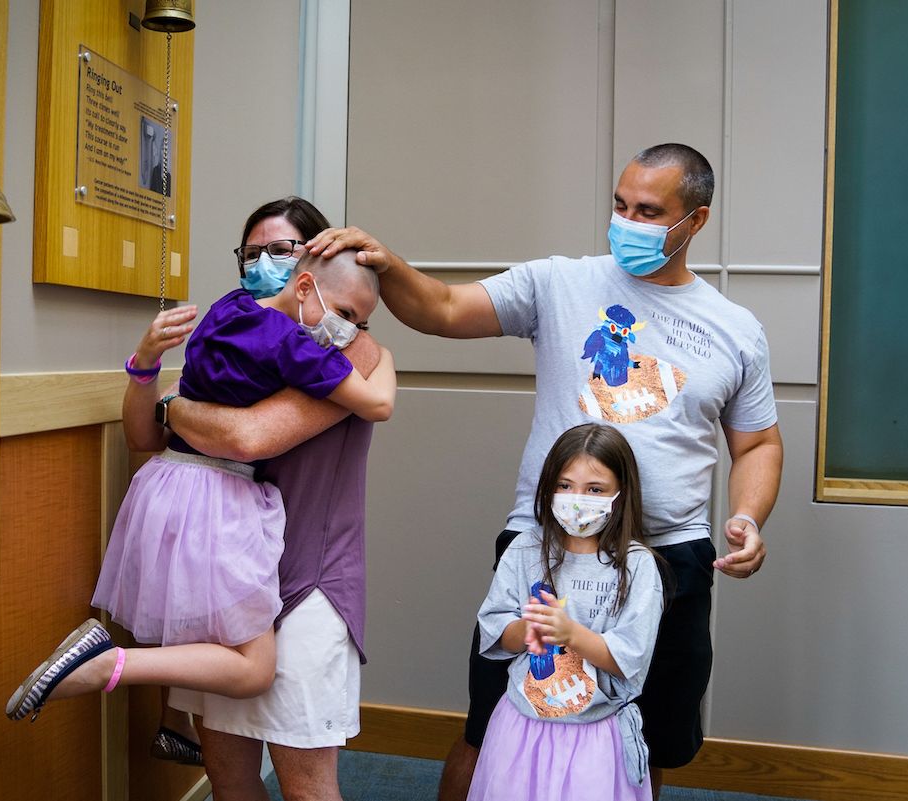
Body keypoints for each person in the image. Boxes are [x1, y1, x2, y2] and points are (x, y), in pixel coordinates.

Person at [308, 143, 784, 800]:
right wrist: (388, 267)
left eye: (649, 211)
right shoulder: (560, 282)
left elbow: (757, 442)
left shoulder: (735, 329)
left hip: (669, 559)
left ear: (695, 221)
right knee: (492, 725)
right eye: (620, 205)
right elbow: (443, 308)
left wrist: (747, 517)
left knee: (645, 735)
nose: (627, 221)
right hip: (547, 551)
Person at [5, 245, 396, 722]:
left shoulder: (229, 307)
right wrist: (387, 358)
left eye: (359, 323)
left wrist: (166, 397)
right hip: (216, 500)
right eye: (345, 315)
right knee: (255, 669)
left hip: (162, 485)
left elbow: (160, 418)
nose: (347, 331)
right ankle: (107, 663)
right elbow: (377, 404)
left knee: (205, 640)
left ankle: (174, 728)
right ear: (306, 285)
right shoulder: (297, 350)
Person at [468, 423, 664, 801]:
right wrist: (527, 629)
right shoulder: (526, 548)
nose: (577, 499)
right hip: (521, 726)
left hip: (595, 732)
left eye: (594, 490)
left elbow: (630, 658)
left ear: (620, 495)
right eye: (564, 485)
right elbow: (495, 627)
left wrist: (570, 633)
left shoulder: (637, 566)